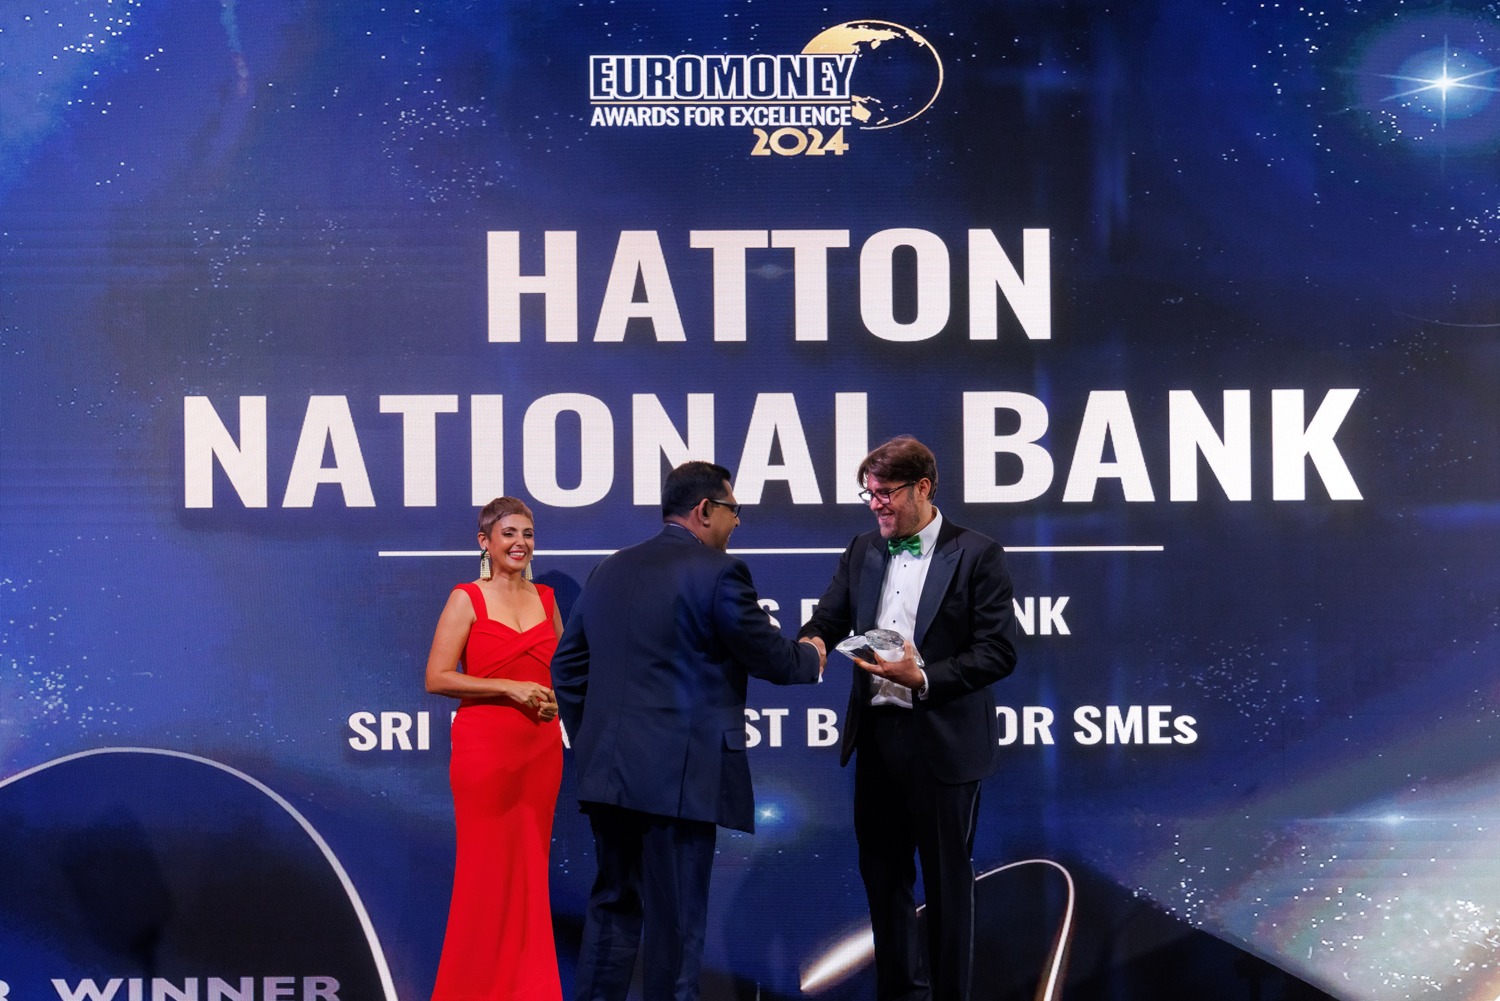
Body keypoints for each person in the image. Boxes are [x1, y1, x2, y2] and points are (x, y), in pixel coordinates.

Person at [551, 460, 825, 1001]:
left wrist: (594, 743)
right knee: (676, 928)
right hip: (679, 785)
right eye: (733, 510)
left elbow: (567, 668)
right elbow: (771, 657)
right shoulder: (719, 572)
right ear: (704, 510)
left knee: (611, 912)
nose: (737, 523)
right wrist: (812, 654)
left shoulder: (608, 570)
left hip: (611, 780)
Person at [798, 436, 1018, 1001]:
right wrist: (812, 644)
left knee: (947, 887)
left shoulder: (977, 553)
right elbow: (828, 617)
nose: (876, 504)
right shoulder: (862, 549)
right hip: (878, 739)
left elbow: (998, 652)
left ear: (923, 487)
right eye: (868, 494)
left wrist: (922, 676)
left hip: (944, 742)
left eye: (886, 493)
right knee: (883, 880)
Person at [425, 496, 565, 1001]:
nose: (520, 543)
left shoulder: (547, 599)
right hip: (485, 750)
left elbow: (564, 673)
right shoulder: (467, 597)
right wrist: (509, 687)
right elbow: (437, 677)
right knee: (484, 875)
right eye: (509, 534)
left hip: (540, 750)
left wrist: (558, 700)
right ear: (485, 542)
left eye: (527, 533)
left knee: (530, 874)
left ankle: (529, 990)